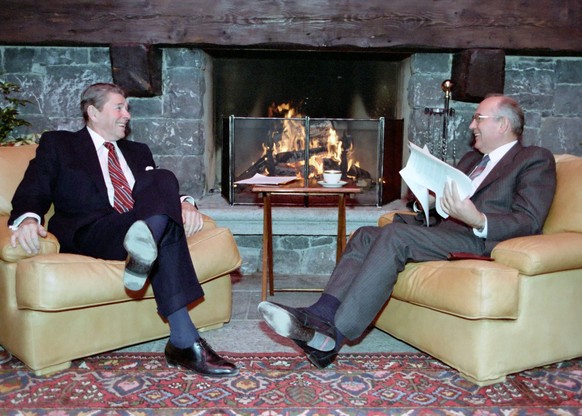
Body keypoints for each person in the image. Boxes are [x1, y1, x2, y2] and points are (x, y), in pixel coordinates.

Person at [258, 94, 557, 368]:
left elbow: (529, 219)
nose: (471, 125)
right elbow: (445, 204)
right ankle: (320, 313)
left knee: (395, 236)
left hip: (479, 241)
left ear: (502, 124)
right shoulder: (471, 161)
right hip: (444, 231)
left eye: (478, 118)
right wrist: (428, 202)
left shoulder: (533, 159)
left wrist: (479, 218)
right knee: (365, 233)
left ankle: (333, 336)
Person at [8, 82, 238, 377]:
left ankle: (145, 250)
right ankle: (181, 338)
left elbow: (157, 192)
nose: (127, 114)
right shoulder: (60, 144)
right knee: (165, 226)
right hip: (91, 231)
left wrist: (185, 204)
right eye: (119, 107)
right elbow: (34, 187)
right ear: (93, 112)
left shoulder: (138, 151)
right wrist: (28, 218)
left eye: (127, 108)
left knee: (162, 180)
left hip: (134, 224)